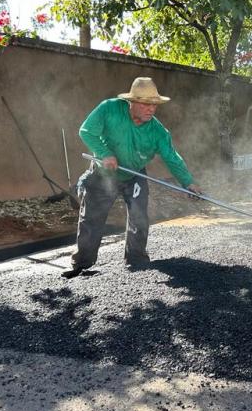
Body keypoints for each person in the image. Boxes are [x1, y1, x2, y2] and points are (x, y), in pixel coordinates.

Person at [64, 77, 202, 277]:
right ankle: (82, 263)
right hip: (104, 174)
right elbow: (86, 131)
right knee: (92, 218)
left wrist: (189, 182)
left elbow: (172, 157)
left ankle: (136, 259)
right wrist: (104, 154)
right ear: (132, 102)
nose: (151, 109)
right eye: (146, 104)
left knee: (139, 217)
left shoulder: (158, 132)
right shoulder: (109, 109)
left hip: (134, 175)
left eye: (154, 104)